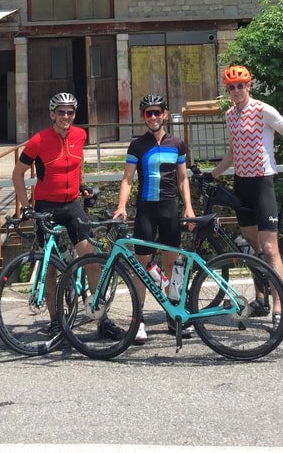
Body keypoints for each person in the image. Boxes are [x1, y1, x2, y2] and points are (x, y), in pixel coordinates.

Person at [11, 91, 118, 341]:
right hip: (46, 206)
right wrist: (26, 207)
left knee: (91, 257)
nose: (66, 116)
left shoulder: (80, 135)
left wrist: (82, 185)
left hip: (71, 205)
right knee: (49, 267)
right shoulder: (38, 141)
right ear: (52, 114)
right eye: (61, 112)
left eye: (70, 112)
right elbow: (17, 175)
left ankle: (101, 319)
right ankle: (55, 321)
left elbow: (77, 163)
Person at [206, 65, 283, 329]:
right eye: (232, 87)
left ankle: (279, 305)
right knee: (251, 245)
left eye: (241, 85)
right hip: (242, 184)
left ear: (249, 86)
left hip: (263, 182)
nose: (237, 90)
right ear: (228, 91)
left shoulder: (263, 110)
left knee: (270, 248)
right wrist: (212, 175)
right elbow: (232, 153)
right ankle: (261, 297)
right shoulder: (230, 115)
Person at [113, 93, 196, 345]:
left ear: (165, 114)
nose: (152, 117)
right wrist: (121, 206)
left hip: (170, 209)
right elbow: (127, 179)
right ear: (143, 117)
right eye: (148, 113)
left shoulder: (177, 144)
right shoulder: (137, 145)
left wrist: (189, 208)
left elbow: (183, 179)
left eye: (157, 112)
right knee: (141, 267)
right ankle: (138, 319)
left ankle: (173, 315)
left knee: (172, 264)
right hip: (146, 210)